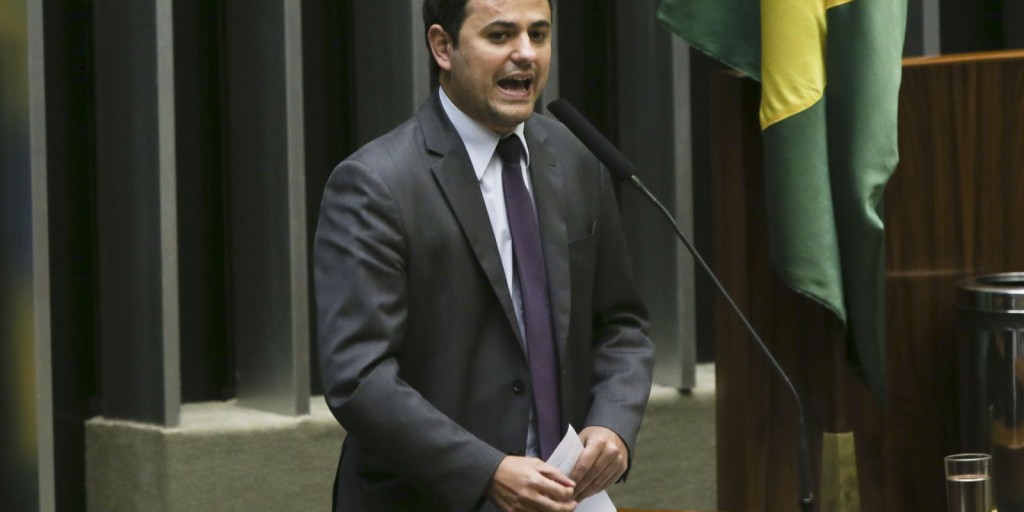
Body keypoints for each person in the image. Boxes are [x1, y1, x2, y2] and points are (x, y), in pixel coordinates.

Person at [313, 0, 655, 510]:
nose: (526, 54)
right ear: (442, 46)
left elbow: (621, 325)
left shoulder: (577, 159)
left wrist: (613, 423)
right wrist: (486, 470)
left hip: (565, 494)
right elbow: (358, 378)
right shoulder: (376, 184)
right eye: (500, 35)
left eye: (539, 34)